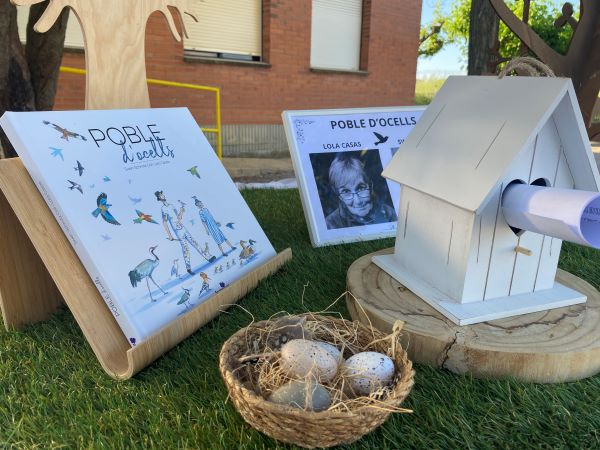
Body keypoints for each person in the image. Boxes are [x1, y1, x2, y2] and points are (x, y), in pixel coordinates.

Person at [325, 154, 396, 229]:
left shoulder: (388, 213)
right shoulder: (331, 223)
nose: (358, 201)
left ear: (370, 186)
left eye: (361, 188)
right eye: (346, 192)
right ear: (339, 195)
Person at [155, 191, 215, 276]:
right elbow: (165, 222)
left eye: (162, 194)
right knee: (185, 248)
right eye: (161, 195)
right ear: (159, 198)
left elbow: (178, 218)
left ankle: (208, 258)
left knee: (194, 242)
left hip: (183, 228)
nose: (163, 195)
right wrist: (170, 235)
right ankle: (188, 268)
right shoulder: (163, 209)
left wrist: (181, 211)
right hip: (177, 231)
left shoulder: (171, 205)